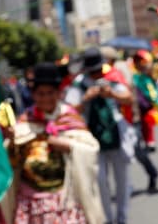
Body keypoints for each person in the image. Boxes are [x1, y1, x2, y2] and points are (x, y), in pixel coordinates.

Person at [9, 62, 102, 223]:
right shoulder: (24, 123)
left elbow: (90, 149)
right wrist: (12, 142)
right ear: (33, 95)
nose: (45, 98)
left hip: (65, 199)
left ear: (59, 93)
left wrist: (66, 145)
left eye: (50, 93)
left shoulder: (69, 118)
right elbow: (13, 162)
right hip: (31, 203)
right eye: (40, 93)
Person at [66, 48, 133, 224]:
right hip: (92, 138)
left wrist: (112, 94)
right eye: (93, 71)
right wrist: (85, 99)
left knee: (122, 181)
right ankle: (107, 219)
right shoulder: (79, 85)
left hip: (116, 135)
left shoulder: (111, 78)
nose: (96, 74)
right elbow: (69, 111)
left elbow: (128, 98)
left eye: (98, 70)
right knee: (100, 182)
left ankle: (122, 218)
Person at [129, 53, 158, 194]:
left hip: (138, 116)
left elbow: (151, 94)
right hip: (126, 119)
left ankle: (152, 172)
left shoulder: (142, 77)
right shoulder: (130, 76)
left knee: (137, 150)